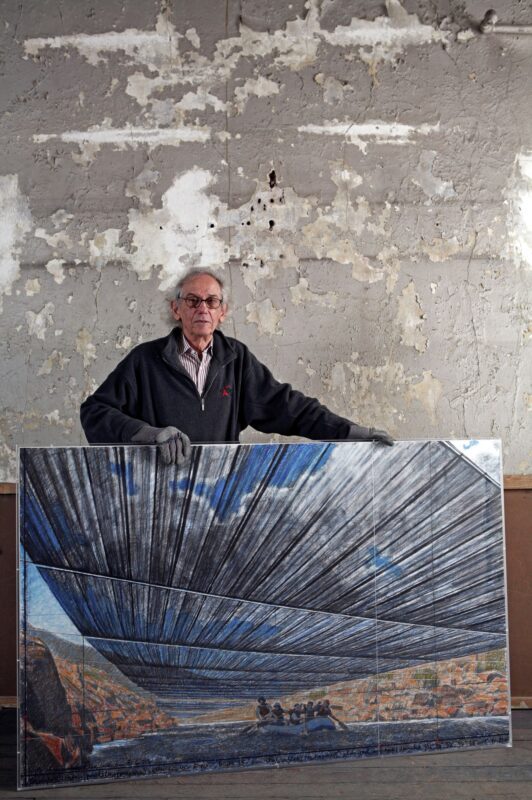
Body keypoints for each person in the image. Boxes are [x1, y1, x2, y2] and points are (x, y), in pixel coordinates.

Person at [80, 269, 393, 464]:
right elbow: (94, 412)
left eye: (211, 301)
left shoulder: (236, 360)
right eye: (192, 301)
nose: (202, 308)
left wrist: (350, 432)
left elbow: (289, 408)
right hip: (158, 491)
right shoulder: (145, 361)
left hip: (217, 491)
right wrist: (147, 433)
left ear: (222, 312)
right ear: (176, 309)